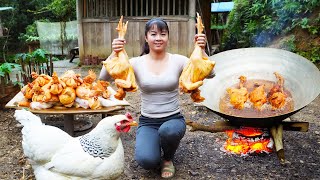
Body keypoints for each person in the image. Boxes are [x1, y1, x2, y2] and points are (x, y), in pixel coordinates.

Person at [99, 18, 213, 179]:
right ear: (146, 38)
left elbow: (210, 73)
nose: (158, 38)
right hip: (148, 121)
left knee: (169, 131)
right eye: (153, 34)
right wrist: (114, 53)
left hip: (173, 119)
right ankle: (155, 143)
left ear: (168, 37)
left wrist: (201, 50)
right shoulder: (136, 63)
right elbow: (104, 79)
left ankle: (168, 158)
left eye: (163, 34)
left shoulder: (179, 60)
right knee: (146, 161)